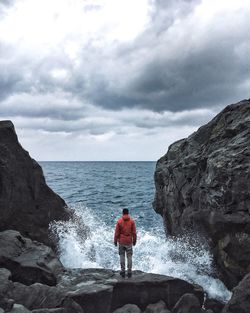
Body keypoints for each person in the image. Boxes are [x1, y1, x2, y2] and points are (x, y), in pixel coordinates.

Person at [114, 208, 137, 278]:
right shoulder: (132, 222)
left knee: (122, 256)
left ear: (123, 213)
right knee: (129, 256)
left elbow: (116, 233)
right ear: (128, 213)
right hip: (129, 241)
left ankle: (123, 271)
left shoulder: (119, 221)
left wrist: (115, 241)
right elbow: (134, 233)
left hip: (121, 241)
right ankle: (129, 271)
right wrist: (134, 241)